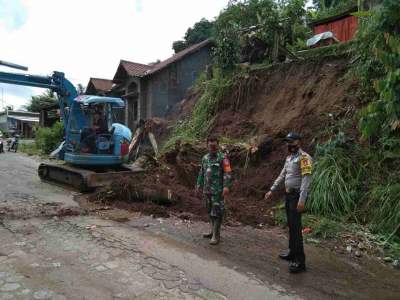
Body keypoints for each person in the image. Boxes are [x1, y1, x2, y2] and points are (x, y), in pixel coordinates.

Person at [264, 132, 313, 273]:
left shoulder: (304, 158)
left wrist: (302, 200)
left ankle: (300, 261)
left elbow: (306, 180)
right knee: (291, 226)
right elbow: (282, 175)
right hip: (289, 195)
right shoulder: (289, 158)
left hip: (297, 196)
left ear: (299, 142)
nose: (289, 145)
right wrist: (271, 190)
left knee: (296, 229)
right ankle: (292, 252)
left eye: (291, 142)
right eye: (287, 142)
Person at [196, 135, 232, 245]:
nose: (212, 146)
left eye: (214, 144)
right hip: (207, 190)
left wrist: (226, 186)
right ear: (207, 145)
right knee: (209, 211)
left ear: (218, 144)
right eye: (210, 143)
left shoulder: (223, 158)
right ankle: (212, 231)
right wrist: (198, 184)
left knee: (217, 212)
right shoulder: (205, 158)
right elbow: (202, 172)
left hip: (218, 191)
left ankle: (216, 235)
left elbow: (227, 172)